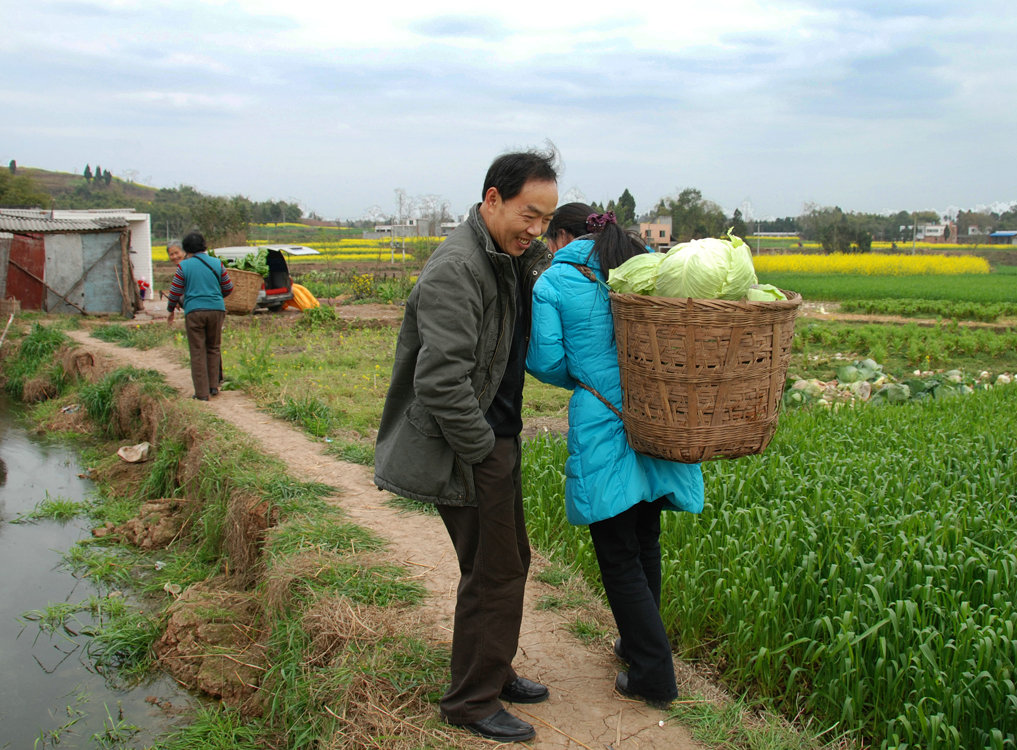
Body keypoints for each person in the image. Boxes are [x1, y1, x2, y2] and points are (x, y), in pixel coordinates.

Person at [374, 149, 558, 743]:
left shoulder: (506, 257)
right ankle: (472, 702)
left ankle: (493, 670)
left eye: (546, 221)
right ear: (492, 199)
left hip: (496, 437)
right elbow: (441, 380)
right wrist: (483, 449)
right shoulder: (459, 267)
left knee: (506, 563)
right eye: (528, 216)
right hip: (473, 446)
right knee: (495, 572)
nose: (536, 231)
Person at [526, 207, 705, 709]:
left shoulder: (555, 280)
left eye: (550, 237)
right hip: (658, 412)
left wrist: (588, 380)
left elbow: (544, 360)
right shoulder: (645, 264)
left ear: (564, 236)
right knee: (645, 535)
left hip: (603, 420)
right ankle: (636, 645)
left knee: (616, 548)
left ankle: (654, 674)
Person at [166, 232, 233, 401]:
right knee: (213, 348)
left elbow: (174, 292)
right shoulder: (217, 263)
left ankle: (202, 394)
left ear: (186, 249)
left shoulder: (184, 267)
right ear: (204, 246)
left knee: (198, 351)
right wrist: (215, 297)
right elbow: (228, 287)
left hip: (194, 311)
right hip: (217, 310)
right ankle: (213, 387)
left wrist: (170, 309)